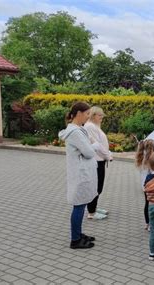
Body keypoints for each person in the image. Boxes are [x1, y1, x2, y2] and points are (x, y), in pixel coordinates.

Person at [58, 102, 100, 249]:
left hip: (82, 172)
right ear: (78, 114)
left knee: (81, 204)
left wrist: (90, 146)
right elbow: (88, 152)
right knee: (79, 205)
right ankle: (75, 240)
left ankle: (78, 233)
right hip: (80, 173)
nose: (88, 117)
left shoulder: (78, 130)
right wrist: (94, 146)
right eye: (87, 114)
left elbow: (86, 149)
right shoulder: (75, 132)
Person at [84, 106, 112, 220]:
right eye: (99, 115)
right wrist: (108, 155)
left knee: (98, 186)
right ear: (93, 115)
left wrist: (107, 153)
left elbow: (102, 143)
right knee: (96, 187)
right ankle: (91, 212)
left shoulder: (94, 126)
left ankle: (94, 208)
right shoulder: (90, 126)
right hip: (96, 161)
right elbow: (97, 144)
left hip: (100, 160)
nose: (102, 117)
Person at [135, 139, 154, 230]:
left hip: (144, 185)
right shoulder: (150, 159)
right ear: (152, 148)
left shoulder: (140, 156)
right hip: (151, 185)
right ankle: (151, 225)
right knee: (151, 205)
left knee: (147, 204)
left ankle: (147, 223)